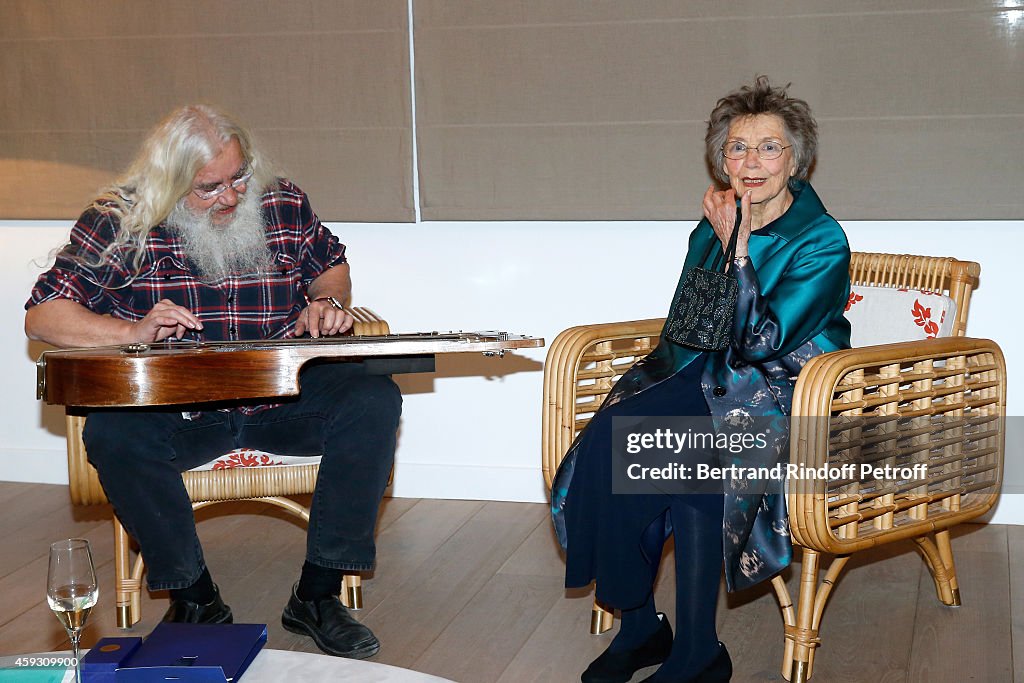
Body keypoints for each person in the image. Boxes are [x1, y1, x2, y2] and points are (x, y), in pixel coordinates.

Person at [25, 104, 401, 660]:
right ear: (169, 184)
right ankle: (195, 597)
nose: (230, 197)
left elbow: (330, 264)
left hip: (281, 398)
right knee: (113, 434)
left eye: (238, 177)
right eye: (208, 188)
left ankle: (318, 596)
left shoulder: (282, 201)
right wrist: (133, 329)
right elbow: (43, 314)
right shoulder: (119, 219)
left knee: (374, 399)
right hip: (178, 411)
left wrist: (327, 301)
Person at [554, 77, 852, 682]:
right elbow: (690, 326)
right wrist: (651, 383)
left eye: (769, 148)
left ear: (796, 161)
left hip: (783, 390)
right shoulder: (710, 225)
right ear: (721, 159)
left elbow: (760, 342)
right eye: (737, 148)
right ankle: (640, 628)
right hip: (705, 374)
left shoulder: (822, 239)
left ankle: (698, 650)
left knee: (691, 466)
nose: (751, 162)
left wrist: (737, 251)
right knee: (610, 441)